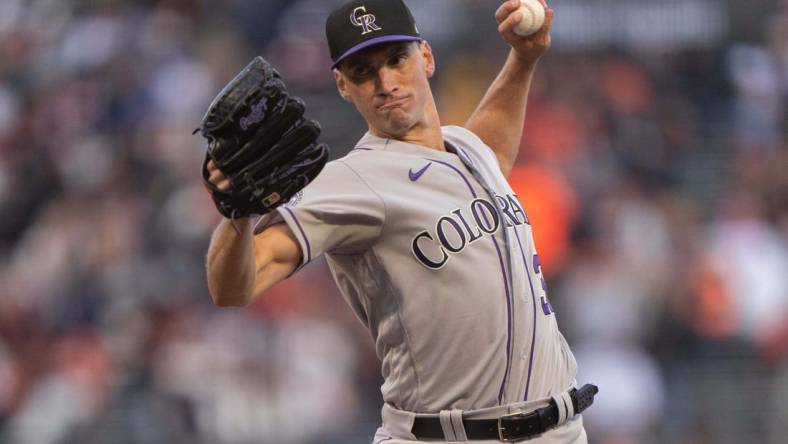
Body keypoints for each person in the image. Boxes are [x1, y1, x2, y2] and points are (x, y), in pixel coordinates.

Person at [205, 0, 597, 442]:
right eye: (362, 72)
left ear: (425, 57)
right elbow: (233, 288)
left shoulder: (468, 150)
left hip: (561, 430)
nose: (385, 82)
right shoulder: (348, 182)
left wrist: (522, 61)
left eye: (396, 59)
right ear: (342, 85)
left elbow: (493, 148)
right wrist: (236, 218)